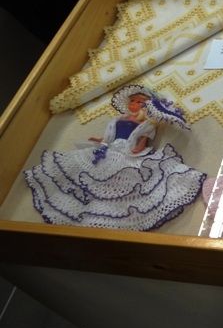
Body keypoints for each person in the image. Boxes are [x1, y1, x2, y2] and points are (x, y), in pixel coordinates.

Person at [24, 85, 206, 231]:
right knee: (89, 174)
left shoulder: (146, 124)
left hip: (127, 152)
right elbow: (109, 137)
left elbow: (142, 141)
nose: (135, 104)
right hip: (107, 149)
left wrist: (139, 148)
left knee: (122, 179)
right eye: (132, 101)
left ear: (146, 106)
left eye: (140, 102)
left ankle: (107, 212)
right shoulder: (119, 119)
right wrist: (100, 140)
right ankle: (85, 209)